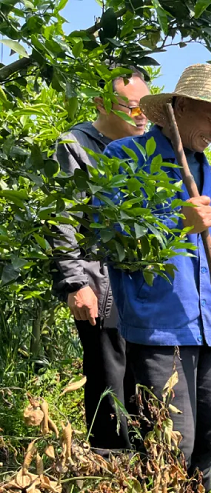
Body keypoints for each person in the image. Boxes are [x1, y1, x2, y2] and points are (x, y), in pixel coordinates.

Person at [98, 64, 211, 493]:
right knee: (172, 440)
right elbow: (109, 236)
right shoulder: (126, 160)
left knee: (210, 432)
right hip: (159, 328)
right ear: (180, 107)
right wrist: (175, 221)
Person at [52, 67, 149, 451]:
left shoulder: (142, 150)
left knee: (143, 376)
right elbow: (62, 219)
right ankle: (111, 466)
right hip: (98, 284)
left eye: (145, 107)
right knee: (108, 376)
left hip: (138, 285)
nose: (141, 115)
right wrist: (76, 284)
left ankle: (149, 467)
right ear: (101, 104)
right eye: (132, 107)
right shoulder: (76, 145)